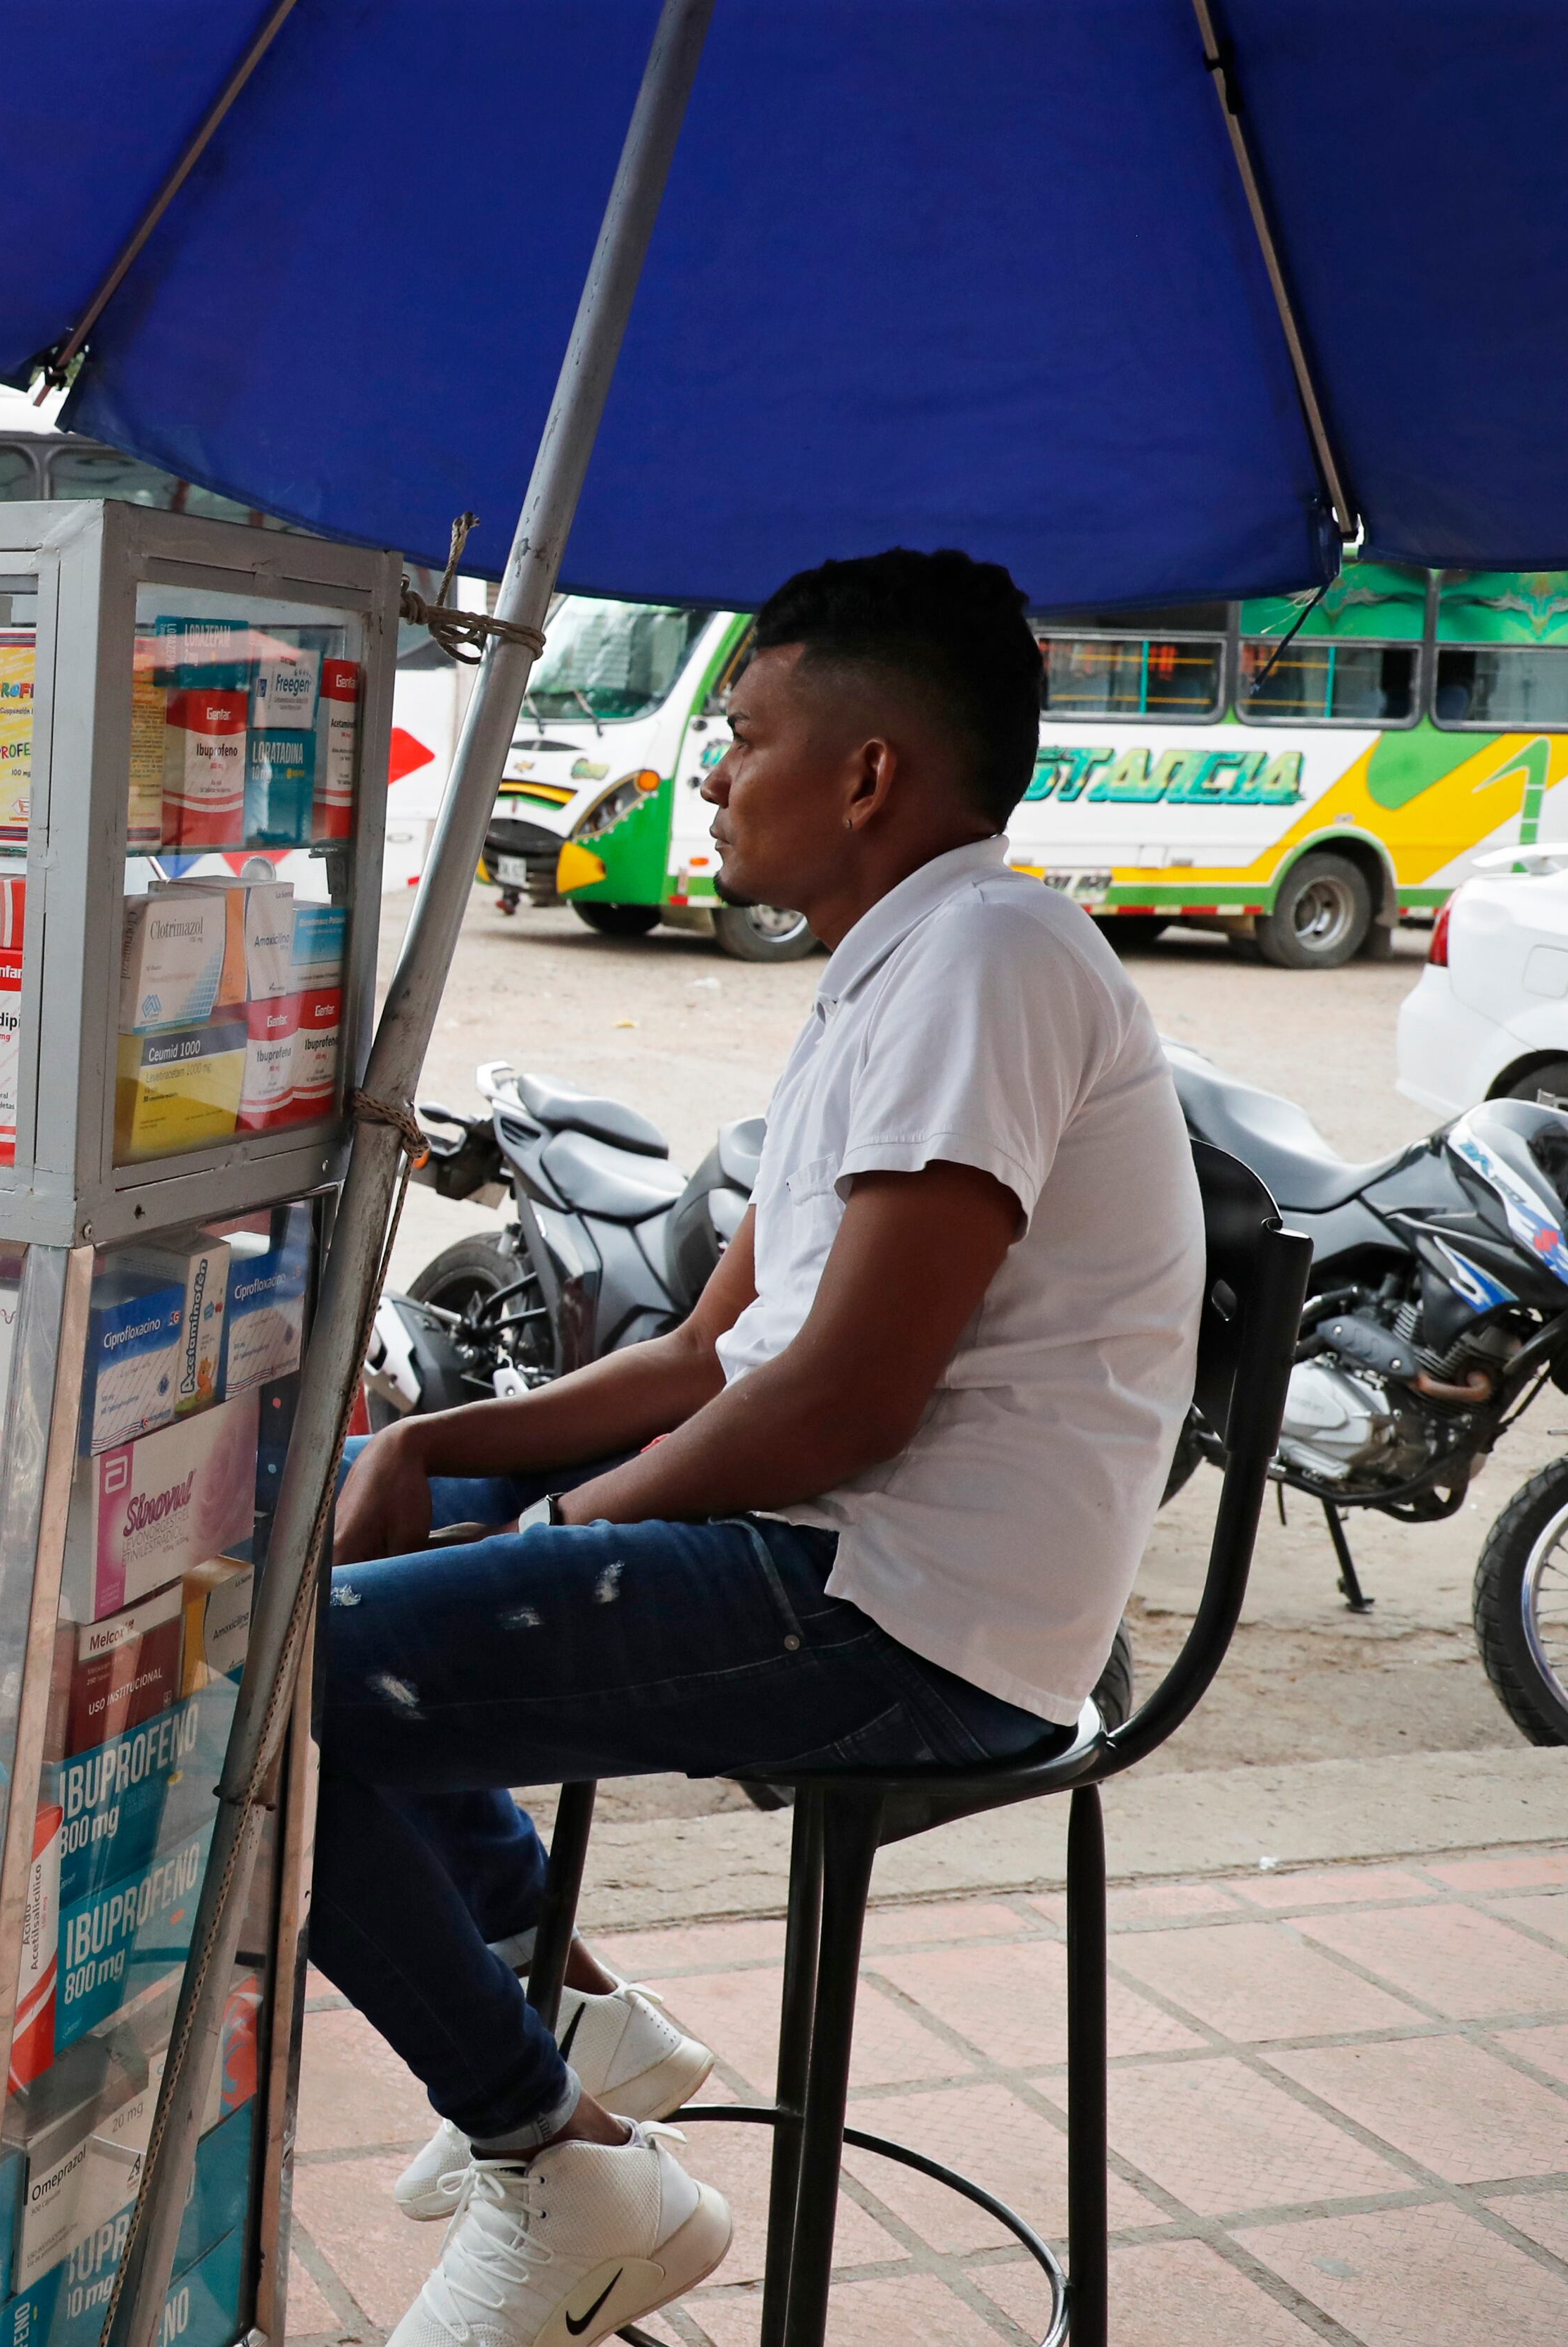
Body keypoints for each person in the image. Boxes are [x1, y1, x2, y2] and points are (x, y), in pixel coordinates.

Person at [326, 548, 1201, 2346]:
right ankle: (567, 2018)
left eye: (744, 736)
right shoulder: (888, 971)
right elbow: (714, 1349)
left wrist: (550, 1527)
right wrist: (445, 1452)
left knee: (265, 1696)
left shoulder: (988, 958)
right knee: (325, 1559)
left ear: (866, 775)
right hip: (837, 1542)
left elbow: (843, 1402)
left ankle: (555, 2158)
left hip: (902, 1615)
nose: (712, 777)